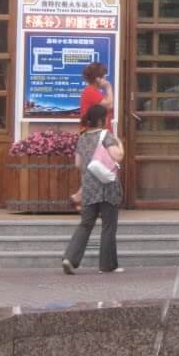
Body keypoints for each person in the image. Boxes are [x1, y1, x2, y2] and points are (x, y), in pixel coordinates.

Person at [61, 103, 125, 275]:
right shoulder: (107, 136)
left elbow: (78, 164)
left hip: (89, 187)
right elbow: (118, 156)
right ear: (101, 119)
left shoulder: (82, 137)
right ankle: (107, 265)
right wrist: (120, 144)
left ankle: (70, 258)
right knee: (108, 225)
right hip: (107, 187)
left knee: (85, 224)